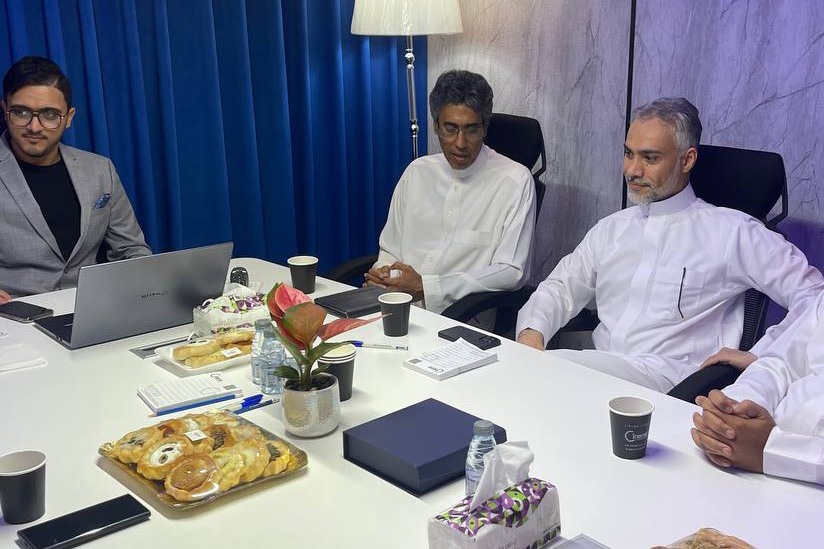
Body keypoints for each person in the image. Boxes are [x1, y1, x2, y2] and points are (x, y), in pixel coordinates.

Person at [515, 97, 824, 392]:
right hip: (597, 374)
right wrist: (532, 332)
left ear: (687, 159)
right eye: (629, 154)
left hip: (673, 388)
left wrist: (765, 356)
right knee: (516, 367)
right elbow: (560, 287)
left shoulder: (733, 232)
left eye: (649, 158)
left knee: (543, 375)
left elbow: (814, 296)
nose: (632, 170)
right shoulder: (611, 229)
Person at [364, 70, 536, 314]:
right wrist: (383, 276)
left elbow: (512, 271)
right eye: (450, 128)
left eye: (471, 129)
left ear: (485, 128)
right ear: (436, 126)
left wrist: (427, 287)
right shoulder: (416, 172)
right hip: (395, 307)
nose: (460, 143)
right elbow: (390, 248)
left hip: (458, 319)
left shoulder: (515, 182)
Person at [0, 56, 150, 302]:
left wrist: (144, 292)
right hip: (13, 315)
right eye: (21, 112)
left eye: (49, 114)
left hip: (94, 307)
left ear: (68, 118)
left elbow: (131, 249)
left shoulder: (100, 169)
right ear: (5, 111)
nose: (34, 127)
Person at [691, 291, 824, 484]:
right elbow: (780, 364)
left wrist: (773, 450)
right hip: (743, 458)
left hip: (803, 484)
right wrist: (735, 411)